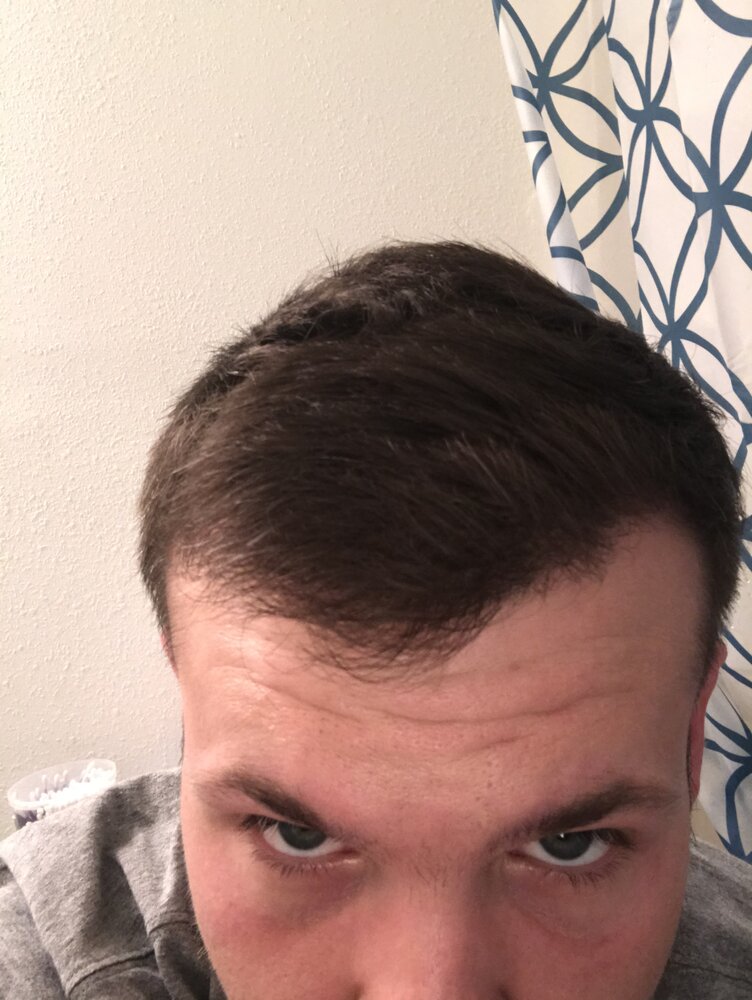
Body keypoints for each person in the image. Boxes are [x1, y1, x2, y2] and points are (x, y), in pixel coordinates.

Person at [1, 241, 750, 999]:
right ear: (190, 722)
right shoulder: (47, 949)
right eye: (299, 836)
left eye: (569, 844)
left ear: (691, 744)